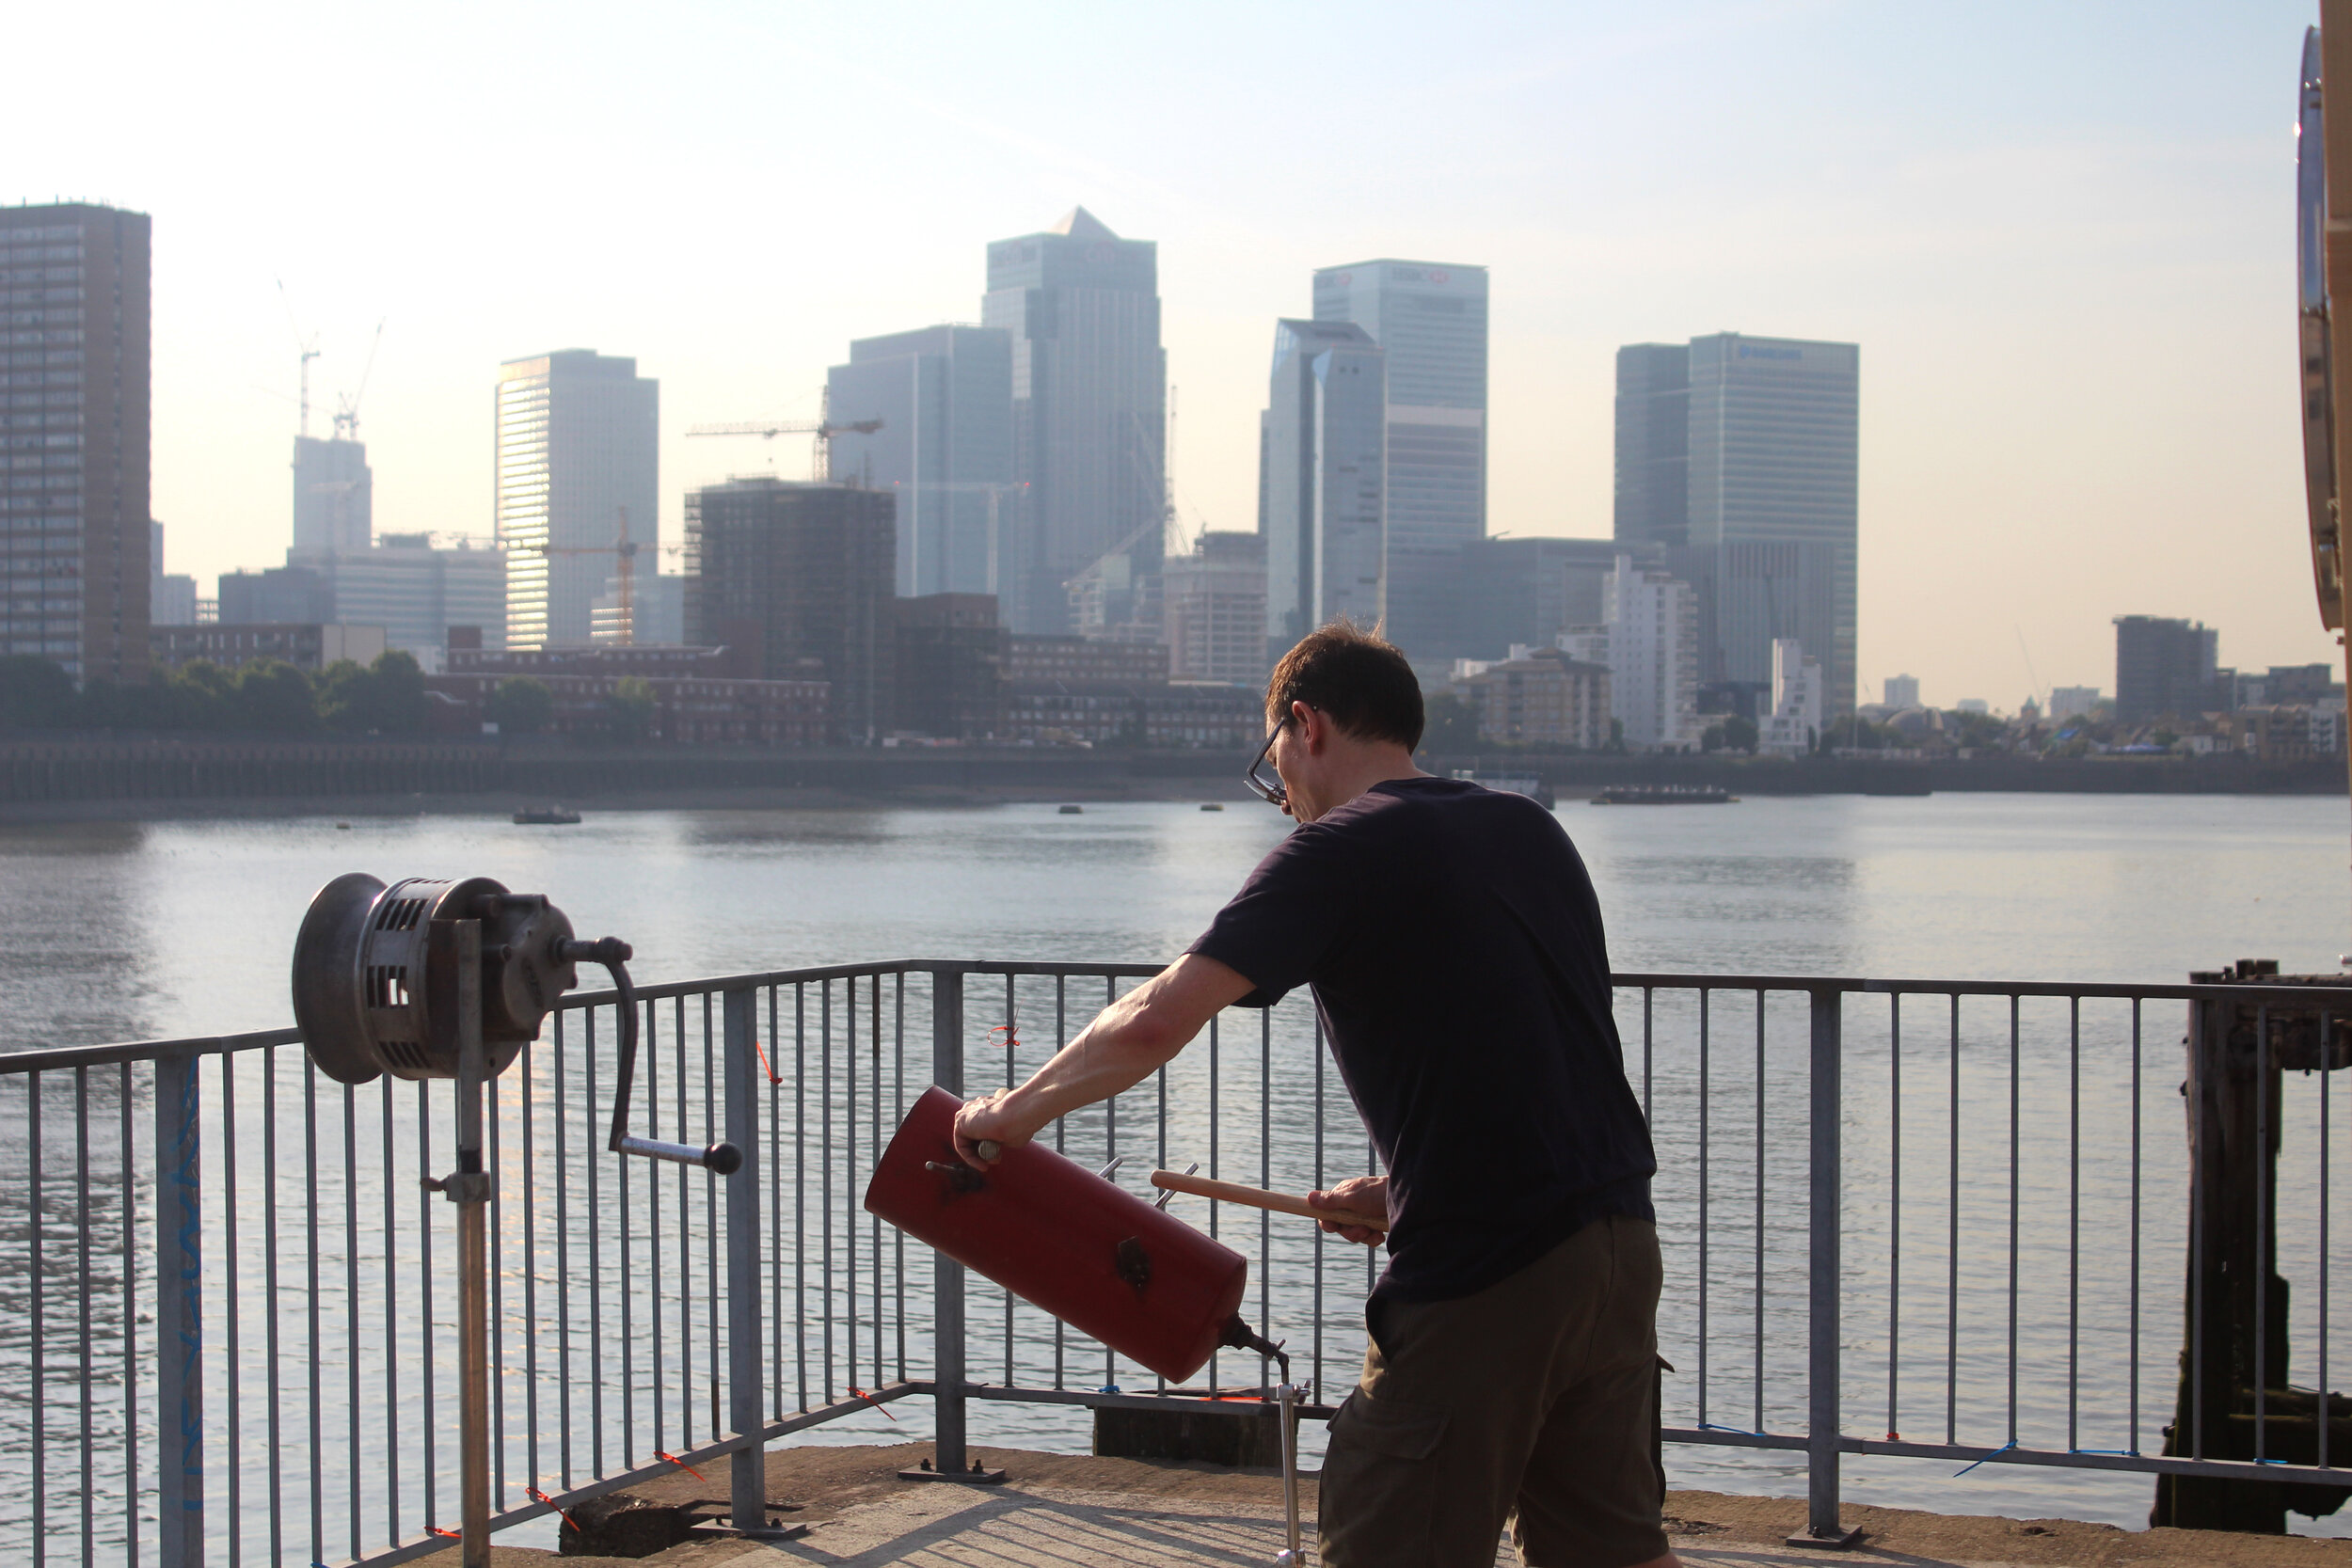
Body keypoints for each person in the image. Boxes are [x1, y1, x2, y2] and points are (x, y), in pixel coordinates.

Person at [952, 622, 1677, 1568]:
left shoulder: (1340, 848)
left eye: (1274, 759)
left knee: (1382, 1541)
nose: (1279, 790)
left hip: (1487, 1267)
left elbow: (1153, 1019)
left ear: (1306, 723)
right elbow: (1535, 1052)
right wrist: (1400, 1186)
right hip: (1615, 1243)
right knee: (1613, 1553)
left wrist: (1009, 1113)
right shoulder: (1527, 827)